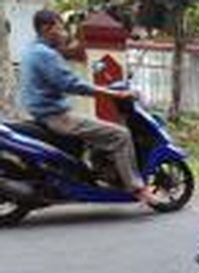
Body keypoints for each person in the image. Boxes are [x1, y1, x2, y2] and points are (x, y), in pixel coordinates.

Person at [19, 9, 158, 204]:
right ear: (46, 28)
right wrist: (115, 93)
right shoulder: (45, 55)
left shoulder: (31, 50)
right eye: (60, 27)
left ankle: (102, 173)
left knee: (97, 132)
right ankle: (138, 188)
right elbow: (72, 84)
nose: (63, 32)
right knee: (120, 135)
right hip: (58, 117)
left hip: (44, 114)